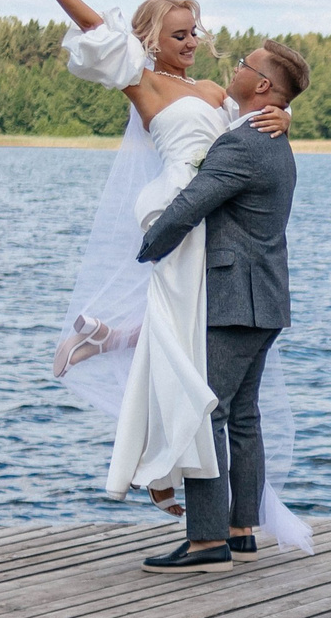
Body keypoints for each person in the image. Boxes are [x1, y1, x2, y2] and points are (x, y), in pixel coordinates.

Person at [0, 0, 287, 531]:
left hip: (210, 216)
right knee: (181, 340)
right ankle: (159, 466)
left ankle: (110, 345)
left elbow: (255, 127)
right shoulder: (145, 85)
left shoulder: (213, 93)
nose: (191, 42)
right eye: (178, 34)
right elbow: (88, 23)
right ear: (151, 39)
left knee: (183, 337)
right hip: (175, 212)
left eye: (194, 32)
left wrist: (287, 116)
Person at [132, 40, 309, 569]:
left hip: (235, 300)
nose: (233, 68)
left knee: (205, 410)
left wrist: (149, 248)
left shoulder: (243, 145)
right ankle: (241, 528)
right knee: (244, 416)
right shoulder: (274, 138)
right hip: (267, 297)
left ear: (260, 86)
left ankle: (208, 540)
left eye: (244, 65)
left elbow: (191, 204)